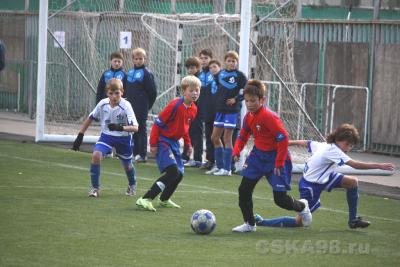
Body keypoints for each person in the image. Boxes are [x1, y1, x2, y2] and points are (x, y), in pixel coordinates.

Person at [254, 123, 395, 229]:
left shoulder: (325, 145)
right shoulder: (334, 150)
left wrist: (285, 143)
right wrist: (379, 165)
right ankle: (262, 222)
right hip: (311, 186)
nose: (349, 148)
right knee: (300, 222)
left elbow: (305, 142)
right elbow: (355, 165)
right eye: (350, 145)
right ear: (346, 142)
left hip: (325, 177)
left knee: (352, 182)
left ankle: (353, 220)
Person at [231, 79, 312, 232]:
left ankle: (302, 206)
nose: (249, 104)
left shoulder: (269, 116)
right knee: (244, 190)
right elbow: (243, 135)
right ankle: (249, 223)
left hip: (276, 158)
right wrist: (236, 151)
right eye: (247, 101)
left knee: (280, 200)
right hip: (257, 157)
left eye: (253, 101)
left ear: (262, 100)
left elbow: (283, 138)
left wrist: (279, 163)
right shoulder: (248, 117)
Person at [136, 75, 201, 211]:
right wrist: (153, 144)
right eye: (191, 90)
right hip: (163, 141)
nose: (195, 93)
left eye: (197, 90)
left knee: (180, 174)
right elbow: (157, 124)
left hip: (174, 143)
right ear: (184, 91)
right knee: (172, 172)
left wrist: (188, 144)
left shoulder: (194, 109)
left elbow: (185, 129)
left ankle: (164, 199)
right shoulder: (175, 105)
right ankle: (145, 198)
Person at [72, 78, 139, 197]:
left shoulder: (126, 106)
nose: (114, 96)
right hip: (107, 136)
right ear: (107, 93)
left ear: (122, 92)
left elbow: (135, 128)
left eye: (117, 93)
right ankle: (95, 188)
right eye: (111, 93)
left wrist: (120, 127)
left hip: (123, 138)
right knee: (96, 155)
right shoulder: (103, 104)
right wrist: (80, 135)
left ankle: (132, 184)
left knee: (127, 165)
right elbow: (90, 117)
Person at [207, 51, 247, 176]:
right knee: (214, 137)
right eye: (229, 61)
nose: (231, 63)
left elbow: (246, 91)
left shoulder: (240, 75)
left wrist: (236, 99)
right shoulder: (220, 74)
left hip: (231, 111)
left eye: (233, 61)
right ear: (225, 62)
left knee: (227, 138)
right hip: (220, 110)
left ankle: (227, 168)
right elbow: (219, 89)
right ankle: (219, 166)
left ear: (237, 62)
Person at [125, 48, 157, 163]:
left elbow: (152, 92)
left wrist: (147, 105)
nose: (138, 61)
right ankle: (134, 153)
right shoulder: (129, 73)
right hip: (130, 106)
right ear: (133, 60)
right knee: (132, 129)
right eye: (136, 59)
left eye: (141, 59)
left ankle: (142, 155)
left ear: (145, 59)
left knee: (141, 129)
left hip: (142, 107)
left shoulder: (146, 73)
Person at [181, 57, 203, 168]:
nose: (190, 70)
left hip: (197, 110)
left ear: (198, 68)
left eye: (193, 68)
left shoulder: (200, 79)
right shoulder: (188, 79)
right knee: (187, 132)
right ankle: (185, 156)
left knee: (197, 134)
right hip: (188, 109)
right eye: (189, 68)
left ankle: (198, 158)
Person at [198, 51, 218, 170]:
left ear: (211, 58)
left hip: (216, 110)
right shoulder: (199, 75)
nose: (203, 60)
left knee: (217, 137)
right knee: (209, 135)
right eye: (201, 58)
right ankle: (209, 160)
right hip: (205, 110)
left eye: (206, 58)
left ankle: (218, 161)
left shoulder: (215, 74)